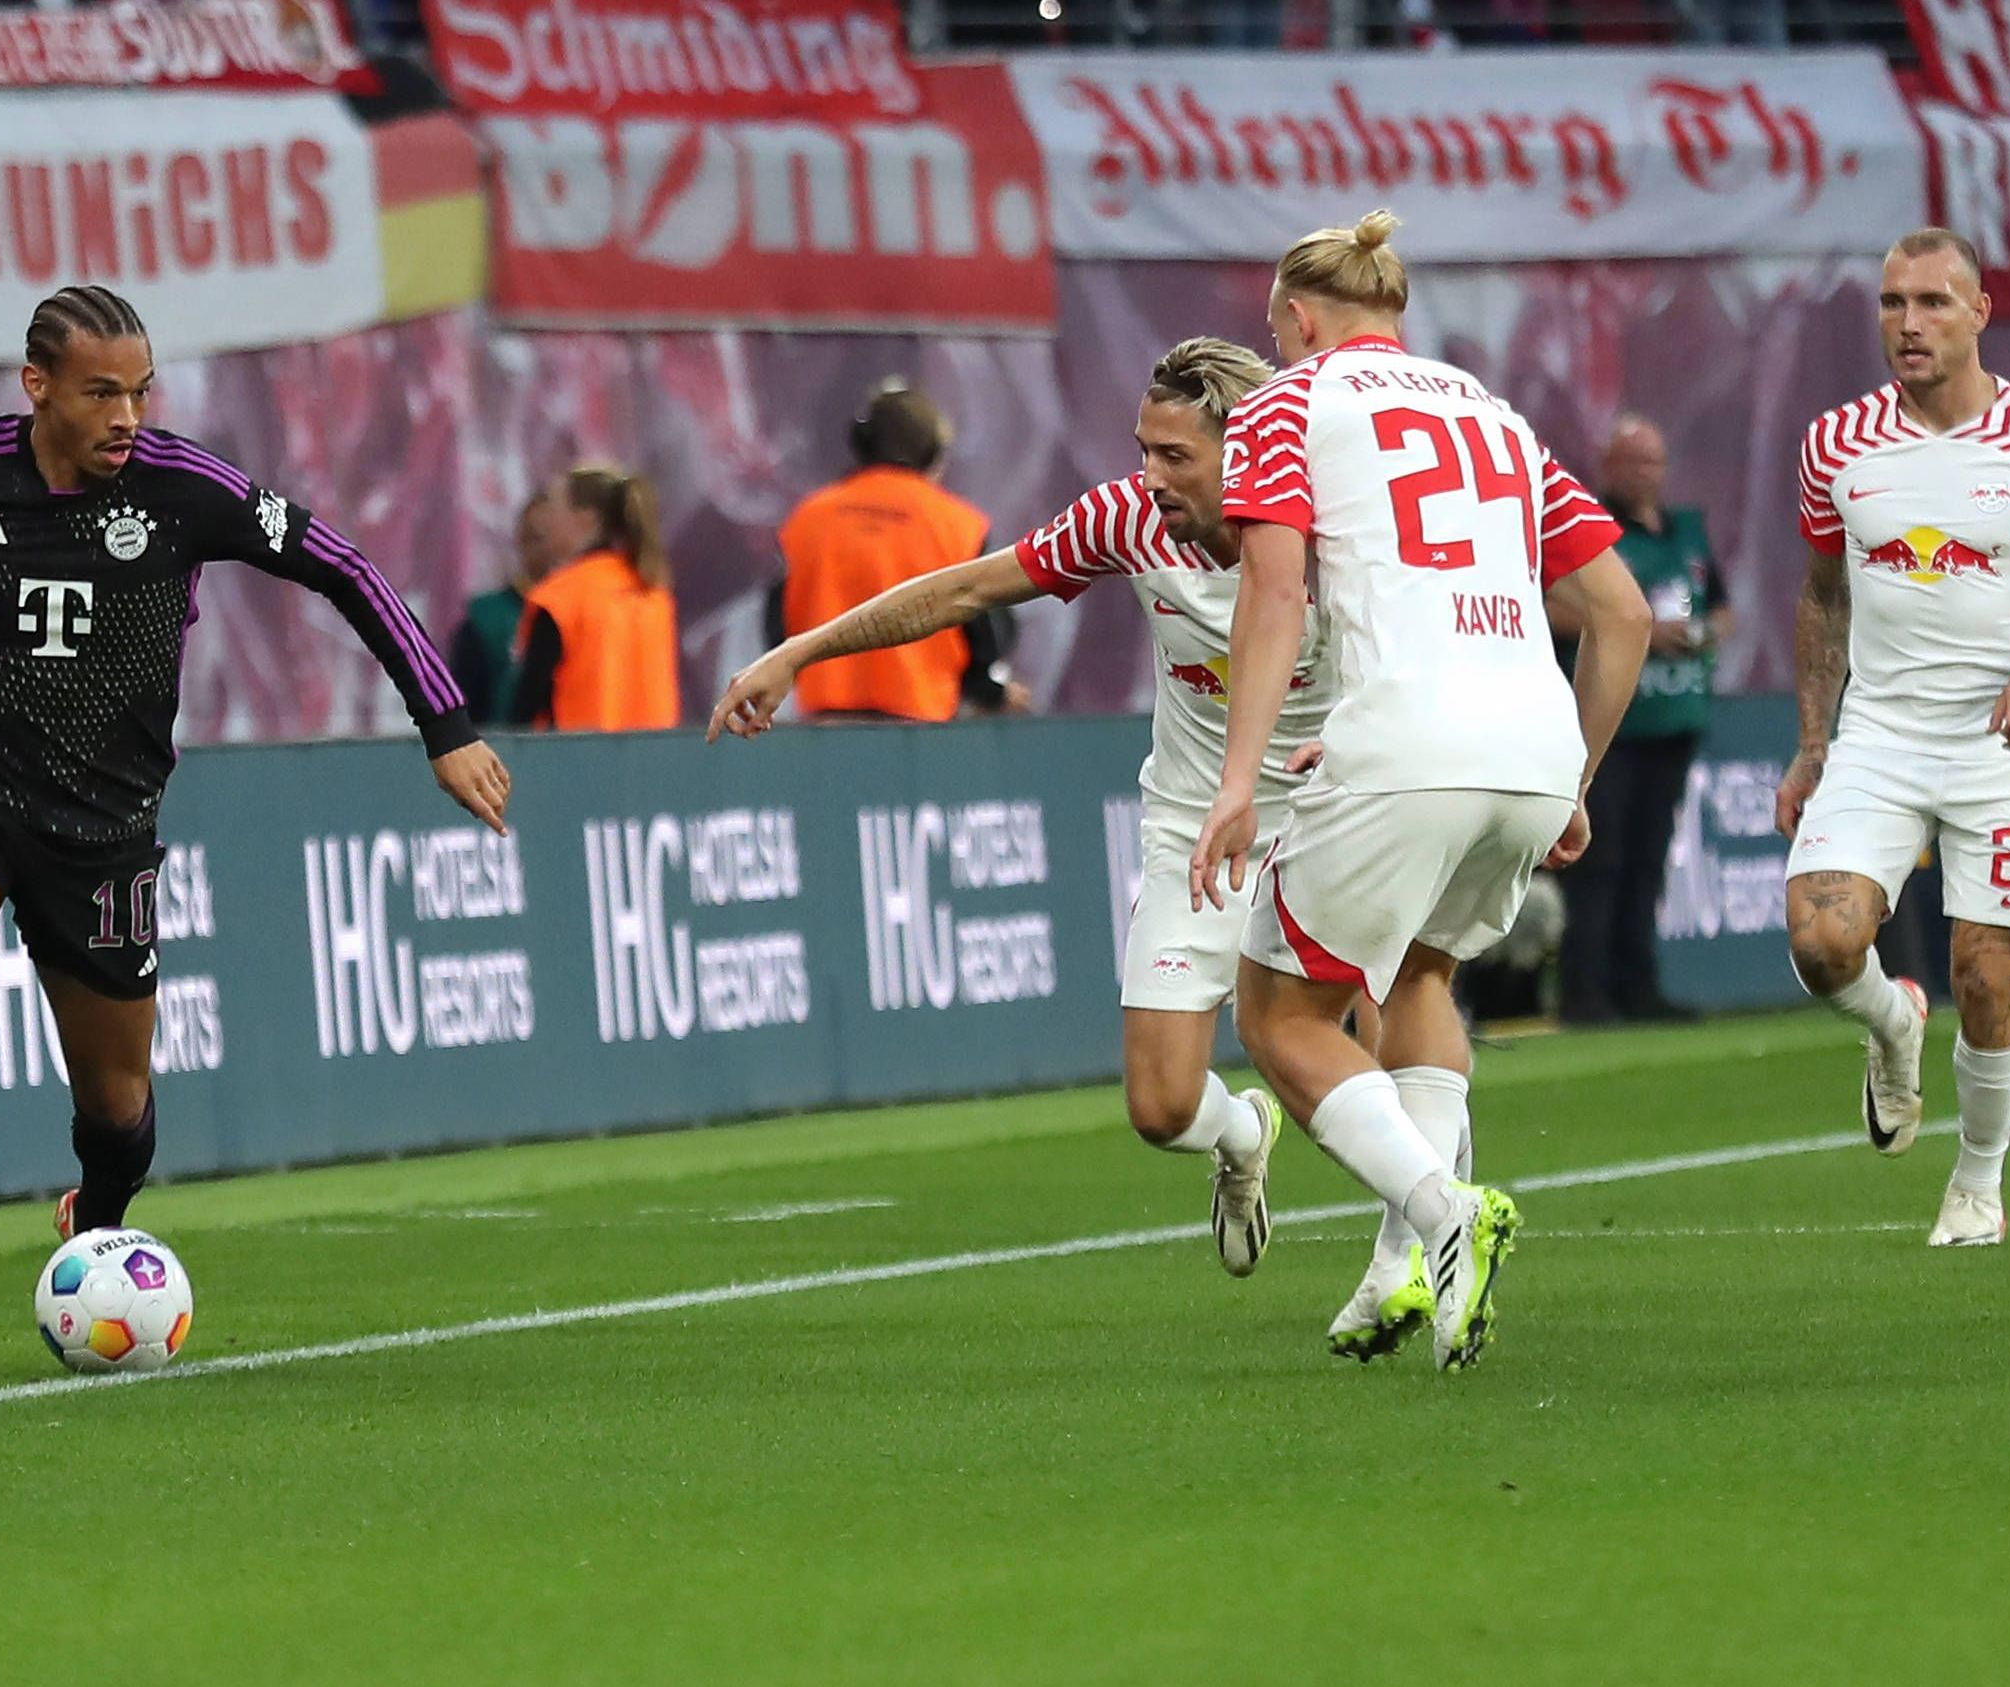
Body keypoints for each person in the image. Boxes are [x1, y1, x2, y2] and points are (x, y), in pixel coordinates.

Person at [0, 285, 513, 1350]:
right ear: (37, 387)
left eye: (139, 389)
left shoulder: (184, 489)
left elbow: (345, 568)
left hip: (105, 831)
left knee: (119, 1113)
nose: (127, 414)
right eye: (100, 393)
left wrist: (444, 723)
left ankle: (100, 1226)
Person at [710, 336, 1343, 1287]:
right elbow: (966, 589)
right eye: (1143, 449)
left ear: (1248, 448)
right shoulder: (1130, 519)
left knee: (1374, 1030)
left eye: (1176, 456)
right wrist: (802, 650)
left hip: (1336, 811)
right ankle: (1240, 1131)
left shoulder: (1339, 526)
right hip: (1197, 829)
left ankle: (1420, 1243)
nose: (1149, 475)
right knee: (1161, 1106)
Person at [1196, 210, 1651, 1371]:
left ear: (1301, 319)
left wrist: (1236, 780)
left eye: (1278, 330)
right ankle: (1404, 1272)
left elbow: (1276, 595)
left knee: (1281, 1016)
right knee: (1426, 974)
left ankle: (1448, 1213)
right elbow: (1623, 613)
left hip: (1408, 737)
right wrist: (1575, 778)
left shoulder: (1285, 406)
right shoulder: (1500, 417)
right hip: (1530, 745)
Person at [1774, 228, 2010, 1248]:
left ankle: (1977, 1183)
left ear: (1980, 312)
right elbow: (1823, 593)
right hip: (1881, 734)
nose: (1908, 324)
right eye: (1892, 303)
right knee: (1821, 940)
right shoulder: (1836, 443)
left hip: (2004, 747)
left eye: (1933, 302)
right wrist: (1813, 742)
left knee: (1988, 975)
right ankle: (1894, 1024)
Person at [1555, 416, 1729, 1024]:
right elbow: (1551, 605)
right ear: (1609, 467)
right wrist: (1642, 634)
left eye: (1652, 462)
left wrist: (1700, 634)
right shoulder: (1586, 526)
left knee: (1650, 856)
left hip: (1675, 715)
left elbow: (1724, 610)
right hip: (1612, 722)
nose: (1644, 474)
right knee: (1598, 860)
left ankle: (1638, 982)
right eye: (1632, 462)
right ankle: (1585, 991)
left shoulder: (1686, 531)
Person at [774, 381, 1023, 722]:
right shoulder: (960, 526)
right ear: (934, 453)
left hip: (824, 728)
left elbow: (777, 624)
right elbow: (988, 633)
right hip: (919, 730)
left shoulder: (807, 519)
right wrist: (990, 692)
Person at [511, 464, 679, 731]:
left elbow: (523, 713)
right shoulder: (653, 593)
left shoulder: (558, 599)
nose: (543, 520)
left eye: (554, 507)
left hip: (576, 763)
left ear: (585, 520)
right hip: (655, 765)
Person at [443, 491, 557, 725]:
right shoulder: (485, 619)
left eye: (551, 537)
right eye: (534, 538)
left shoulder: (587, 612)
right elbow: (462, 712)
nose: (547, 550)